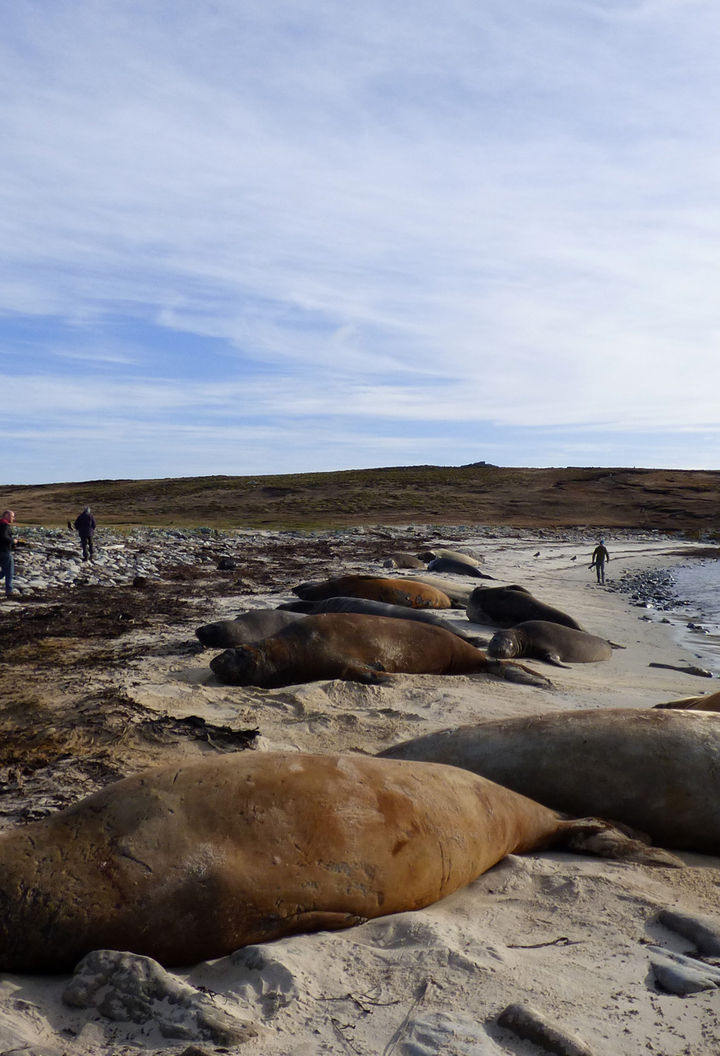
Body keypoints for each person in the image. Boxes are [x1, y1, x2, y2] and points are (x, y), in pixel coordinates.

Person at [0, 510, 15, 596]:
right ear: (6, 515)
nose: (13, 518)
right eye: (12, 516)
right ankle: (9, 590)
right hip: (5, 551)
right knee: (9, 571)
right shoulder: (5, 526)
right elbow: (4, 537)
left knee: (5, 571)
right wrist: (13, 541)